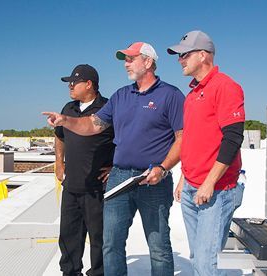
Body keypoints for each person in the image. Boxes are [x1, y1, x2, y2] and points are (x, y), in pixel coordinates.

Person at [43, 41, 186, 276]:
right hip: (120, 178)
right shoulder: (120, 96)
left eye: (131, 59)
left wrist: (163, 167)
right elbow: (93, 124)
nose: (126, 64)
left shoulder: (170, 95)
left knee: (158, 247)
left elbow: (183, 138)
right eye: (125, 60)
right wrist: (65, 120)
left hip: (154, 178)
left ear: (148, 62)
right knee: (111, 244)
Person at [167, 30, 246, 276]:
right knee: (197, 257)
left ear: (203, 55)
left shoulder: (226, 87)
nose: (180, 60)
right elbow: (190, 140)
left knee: (204, 262)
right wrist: (183, 178)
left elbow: (233, 139)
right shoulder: (191, 96)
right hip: (192, 187)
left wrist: (209, 182)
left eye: (184, 54)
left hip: (216, 190)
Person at [52, 64, 112, 276]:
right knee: (68, 236)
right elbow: (59, 137)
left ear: (89, 84)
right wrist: (59, 163)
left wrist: (115, 166)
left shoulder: (107, 108)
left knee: (99, 238)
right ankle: (70, 273)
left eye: (73, 82)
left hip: (97, 188)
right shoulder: (68, 109)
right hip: (71, 186)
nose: (69, 86)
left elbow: (123, 140)